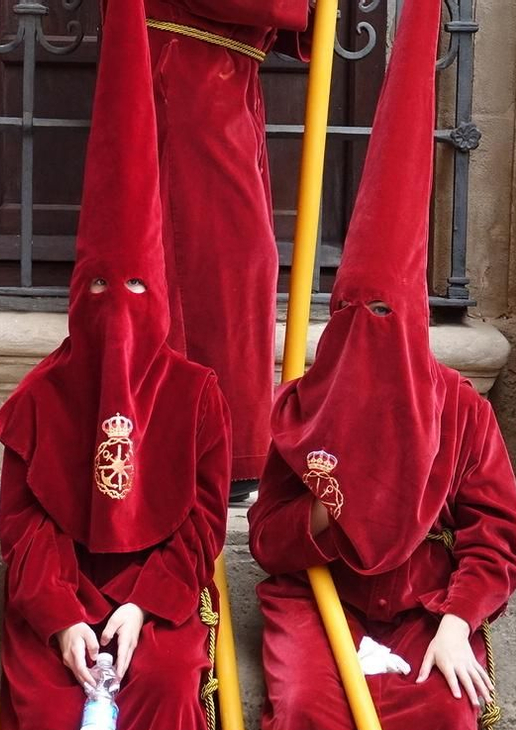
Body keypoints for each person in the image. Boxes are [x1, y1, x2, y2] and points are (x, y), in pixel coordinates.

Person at [248, 0, 516, 730]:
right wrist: (324, 519)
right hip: (316, 605)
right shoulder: (303, 404)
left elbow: (496, 531)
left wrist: (456, 619)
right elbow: (268, 537)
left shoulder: (456, 412)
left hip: (420, 607)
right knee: (315, 716)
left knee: (447, 721)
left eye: (385, 321)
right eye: (350, 321)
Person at [0, 0, 234, 730]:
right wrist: (63, 622)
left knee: (168, 693)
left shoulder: (199, 396)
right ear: (77, 293)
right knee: (52, 712)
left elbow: (204, 520)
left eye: (137, 297)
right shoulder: (45, 397)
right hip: (62, 605)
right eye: (103, 298)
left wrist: (140, 605)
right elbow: (28, 522)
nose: (118, 326)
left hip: (156, 600)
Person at [143, 0, 310, 500]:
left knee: (243, 265)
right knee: (218, 261)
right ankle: (214, 448)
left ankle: (234, 444)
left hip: (225, 77)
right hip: (188, 76)